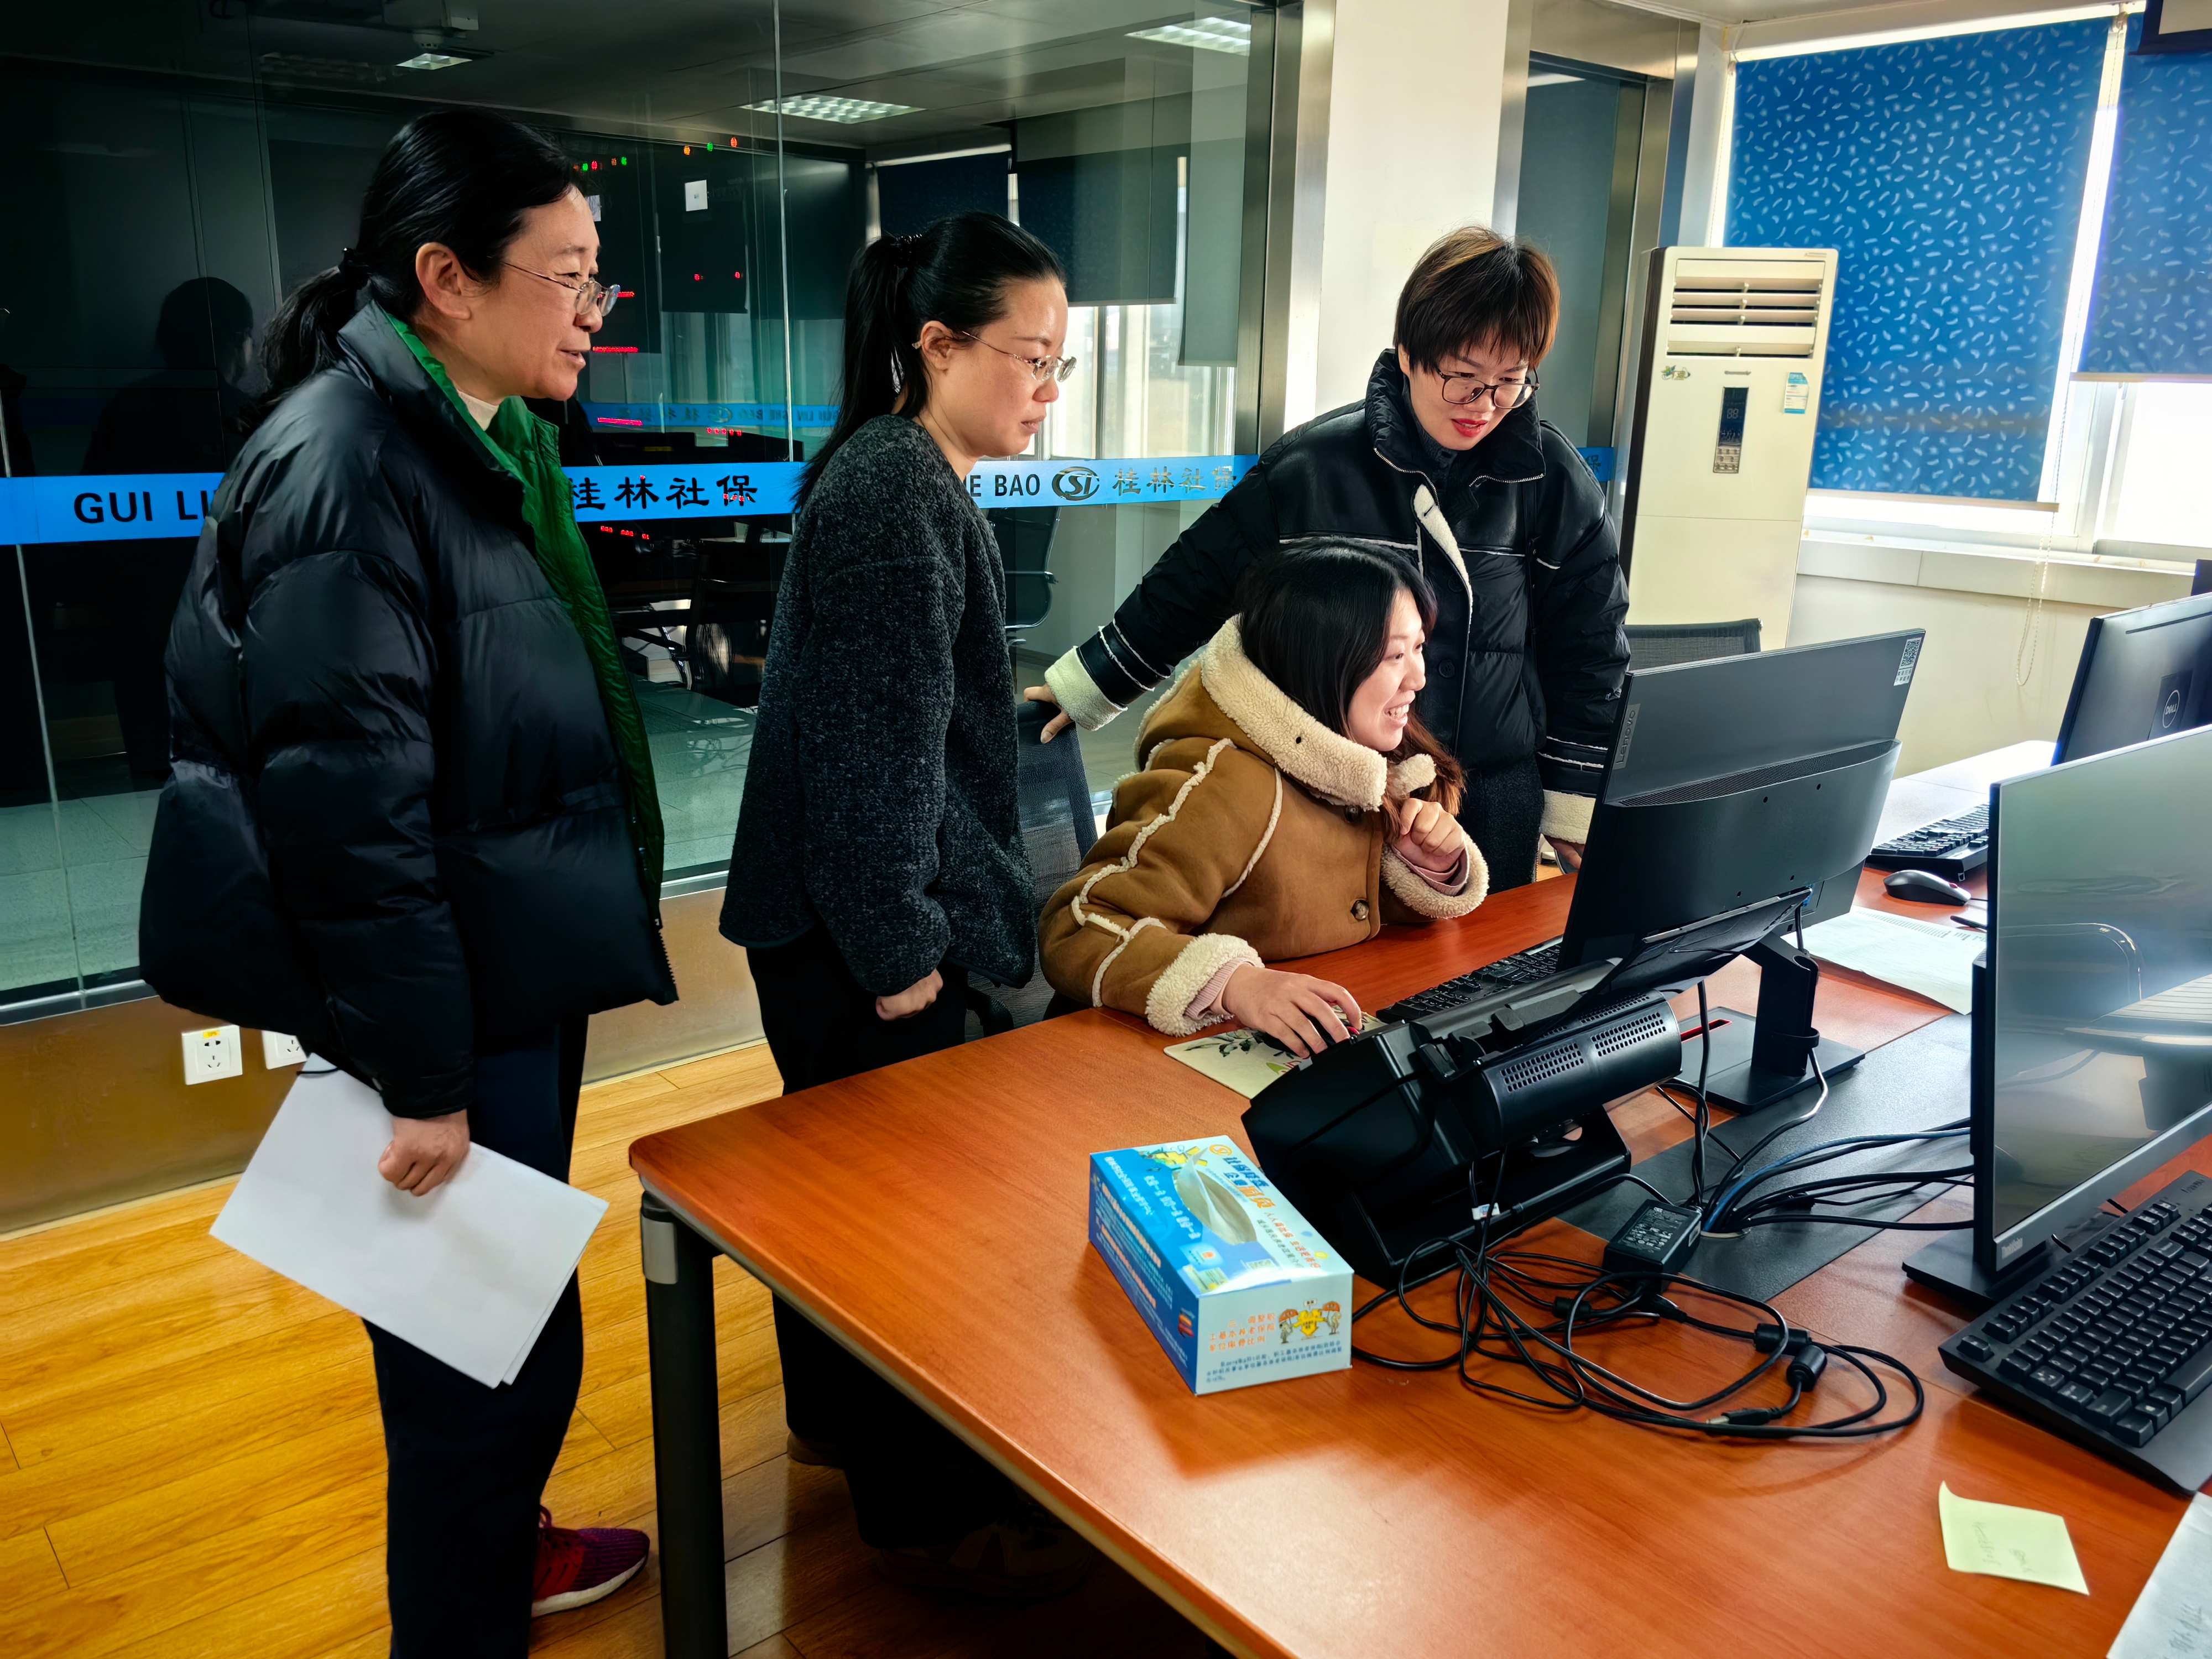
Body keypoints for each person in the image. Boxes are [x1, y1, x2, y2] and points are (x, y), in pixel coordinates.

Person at [138, 109, 674, 1657]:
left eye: (598, 276)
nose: (591, 309)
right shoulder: (350, 465)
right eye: (564, 274)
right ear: (446, 278)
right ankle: (463, 1615)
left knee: (499, 1326)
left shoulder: (478, 438)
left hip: (501, 961)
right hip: (448, 1000)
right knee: (467, 1370)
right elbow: (348, 819)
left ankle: (509, 1551)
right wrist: (425, 1078)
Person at [718, 211, 1094, 1599]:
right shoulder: (893, 490)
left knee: (842, 1211)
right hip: (856, 938)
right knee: (895, 1233)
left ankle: (843, 1438)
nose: (1046, 390)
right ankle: (921, 1518)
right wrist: (896, 954)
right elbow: (870, 753)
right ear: (936, 345)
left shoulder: (911, 474)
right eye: (1028, 358)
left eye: (1059, 364)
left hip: (843, 918)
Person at [1031, 226, 1629, 890]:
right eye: (1462, 378)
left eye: (1509, 382)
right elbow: (1196, 580)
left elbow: (1591, 645)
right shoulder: (1315, 466)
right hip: (1341, 787)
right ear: (1409, 354)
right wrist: (1088, 684)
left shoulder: (1551, 478)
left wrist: (1576, 798)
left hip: (1488, 792)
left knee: (1493, 956)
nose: (1483, 406)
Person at [1041, 541, 1486, 1046]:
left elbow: (1342, 913)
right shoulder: (1224, 781)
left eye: (1419, 648)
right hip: (1138, 1059)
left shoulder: (1354, 758)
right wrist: (1235, 983)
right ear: (1321, 660)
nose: (1419, 678)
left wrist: (1424, 867)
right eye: (1395, 655)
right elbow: (1077, 927)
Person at [82, 277, 259, 781]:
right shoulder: (249, 416)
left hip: (139, 610)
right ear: (237, 339)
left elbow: (93, 515)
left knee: (154, 754)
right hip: (232, 608)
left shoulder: (125, 409)